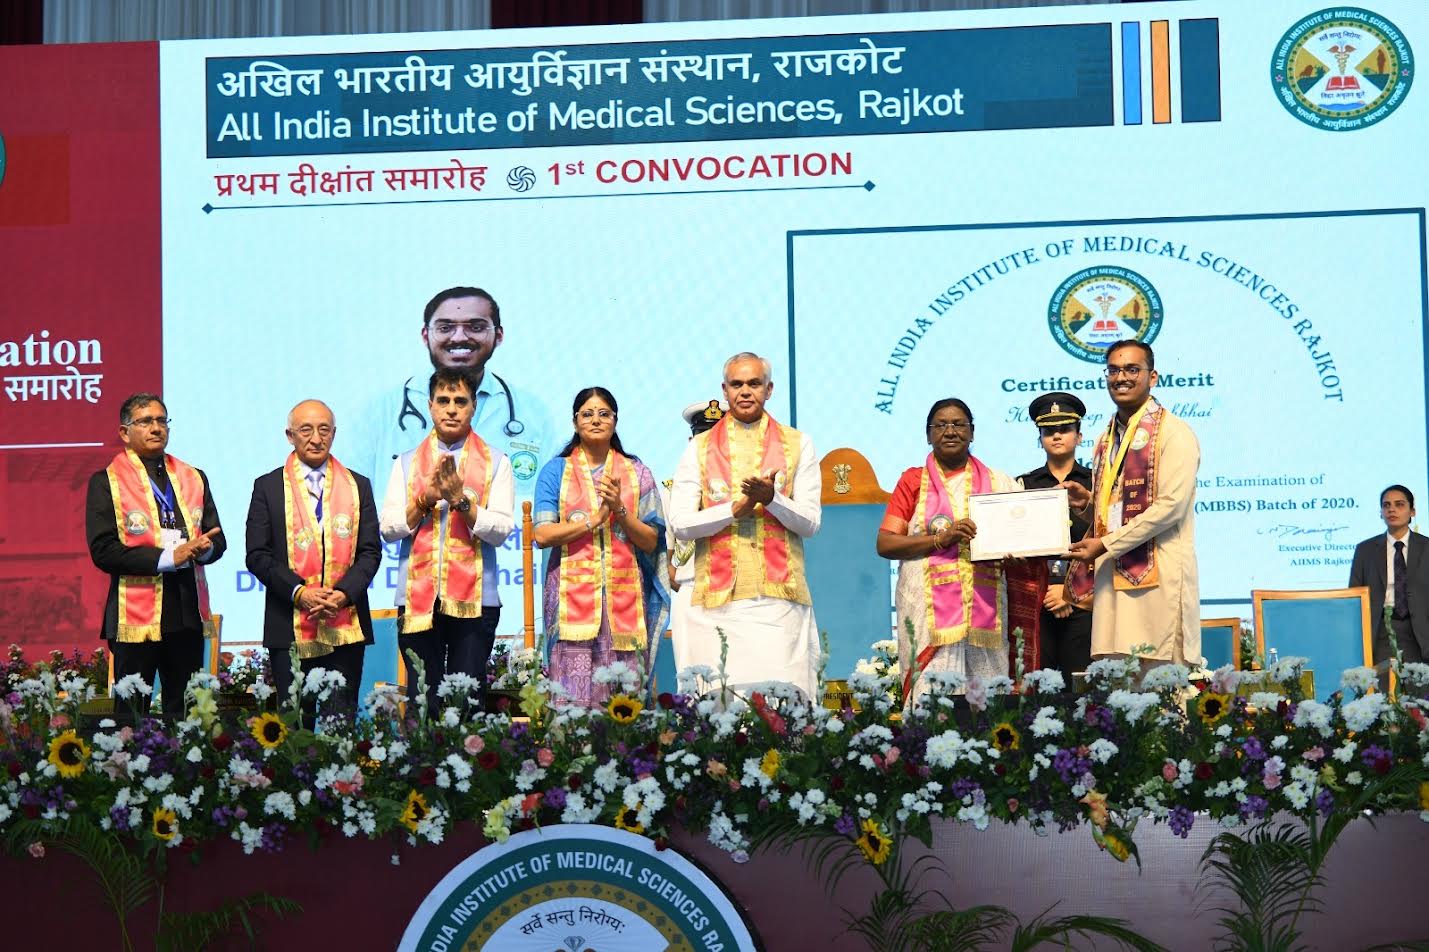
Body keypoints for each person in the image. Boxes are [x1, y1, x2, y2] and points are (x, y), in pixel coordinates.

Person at [669, 353, 822, 698]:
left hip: (778, 600)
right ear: (725, 391)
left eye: (754, 383)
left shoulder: (798, 443)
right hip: (717, 602)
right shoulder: (699, 448)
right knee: (721, 704)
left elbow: (811, 523)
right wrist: (734, 510)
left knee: (782, 704)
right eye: (737, 384)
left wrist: (772, 499)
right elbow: (680, 524)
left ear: (770, 389)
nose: (745, 391)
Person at [379, 368, 515, 711]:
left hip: (477, 601)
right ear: (430, 405)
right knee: (423, 701)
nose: (451, 409)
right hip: (417, 600)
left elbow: (501, 530)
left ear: (474, 407)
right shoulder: (406, 463)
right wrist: (424, 500)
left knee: (466, 701)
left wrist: (462, 502)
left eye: (460, 401)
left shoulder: (497, 462)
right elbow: (389, 529)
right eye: (443, 400)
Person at [1065, 340, 1200, 674]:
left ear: (1152, 377)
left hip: (1158, 580)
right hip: (1112, 581)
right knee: (1116, 684)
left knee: (1159, 683)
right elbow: (1115, 508)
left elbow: (1171, 506)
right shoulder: (1105, 439)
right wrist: (1087, 504)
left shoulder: (1174, 433)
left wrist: (1106, 544)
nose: (1121, 377)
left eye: (1131, 369)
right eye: (1113, 370)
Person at [86, 393, 225, 716]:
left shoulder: (194, 477)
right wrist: (168, 558)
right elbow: (103, 551)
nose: (156, 428)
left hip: (186, 612)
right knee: (131, 716)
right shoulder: (106, 482)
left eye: (162, 420)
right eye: (146, 421)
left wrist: (205, 550)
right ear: (124, 432)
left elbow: (217, 538)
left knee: (187, 716)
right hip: (134, 616)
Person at [244, 400, 382, 723]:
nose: (316, 438)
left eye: (324, 430)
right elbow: (257, 554)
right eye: (306, 430)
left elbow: (370, 551)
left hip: (345, 624)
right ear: (289, 435)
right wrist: (300, 592)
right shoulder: (268, 487)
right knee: (294, 727)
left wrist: (343, 594)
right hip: (288, 624)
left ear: (334, 434)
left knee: (340, 726)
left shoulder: (358, 485)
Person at [877, 398, 1022, 702]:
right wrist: (942, 540)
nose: (950, 431)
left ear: (972, 432)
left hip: (985, 608)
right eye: (940, 425)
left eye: (958, 424)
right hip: (927, 609)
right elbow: (886, 544)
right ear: (928, 435)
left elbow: (1020, 538)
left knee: (987, 701)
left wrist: (1016, 551)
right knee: (932, 700)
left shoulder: (999, 482)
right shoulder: (912, 481)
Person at [532, 387, 669, 704]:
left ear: (615, 421)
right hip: (570, 598)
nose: (596, 420)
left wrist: (619, 511)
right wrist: (593, 521)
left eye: (604, 414)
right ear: (575, 422)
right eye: (588, 414)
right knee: (572, 695)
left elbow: (651, 541)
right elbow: (542, 535)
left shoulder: (637, 473)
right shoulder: (556, 471)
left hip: (625, 600)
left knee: (624, 698)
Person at [352, 286, 554, 501]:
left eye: (476, 327)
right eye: (445, 327)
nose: (459, 337)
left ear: (499, 335)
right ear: (425, 335)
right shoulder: (379, 412)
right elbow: (354, 497)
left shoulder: (534, 413)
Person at [1018, 392, 1094, 686]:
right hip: (1040, 601)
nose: (1057, 436)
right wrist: (1050, 589)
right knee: (1039, 690)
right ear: (1040, 438)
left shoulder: (1097, 482)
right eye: (1049, 431)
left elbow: (1108, 542)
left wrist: (1068, 591)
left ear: (1079, 436)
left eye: (1065, 429)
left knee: (1084, 690)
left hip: (1086, 602)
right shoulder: (1023, 485)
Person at [664, 400, 726, 675]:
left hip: (737, 592)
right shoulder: (671, 491)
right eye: (703, 439)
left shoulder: (744, 489)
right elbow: (665, 556)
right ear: (691, 442)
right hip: (691, 591)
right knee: (691, 677)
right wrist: (685, 584)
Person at [1348, 485, 1429, 689]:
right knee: (1385, 695)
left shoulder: (1427, 547)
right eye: (1386, 505)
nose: (1392, 509)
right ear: (1381, 513)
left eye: (1399, 505)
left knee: (1420, 696)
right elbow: (1353, 598)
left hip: (1420, 631)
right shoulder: (1365, 550)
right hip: (1381, 630)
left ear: (1412, 511)